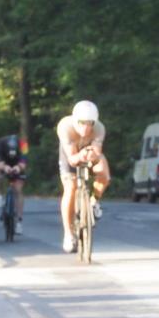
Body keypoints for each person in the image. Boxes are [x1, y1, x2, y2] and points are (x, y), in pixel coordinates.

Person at [56, 100, 111, 253]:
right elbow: (72, 160)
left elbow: (97, 152)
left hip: (88, 151)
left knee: (104, 173)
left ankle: (94, 201)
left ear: (95, 122)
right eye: (81, 123)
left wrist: (91, 155)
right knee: (71, 187)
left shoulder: (99, 128)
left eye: (90, 123)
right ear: (75, 120)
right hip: (71, 153)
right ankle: (68, 234)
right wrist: (80, 155)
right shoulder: (65, 127)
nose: (86, 128)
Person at [0, 134, 27, 235]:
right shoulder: (1, 143)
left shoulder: (23, 143)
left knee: (18, 190)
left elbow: (24, 158)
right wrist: (4, 167)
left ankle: (19, 221)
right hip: (4, 163)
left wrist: (19, 167)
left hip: (17, 164)